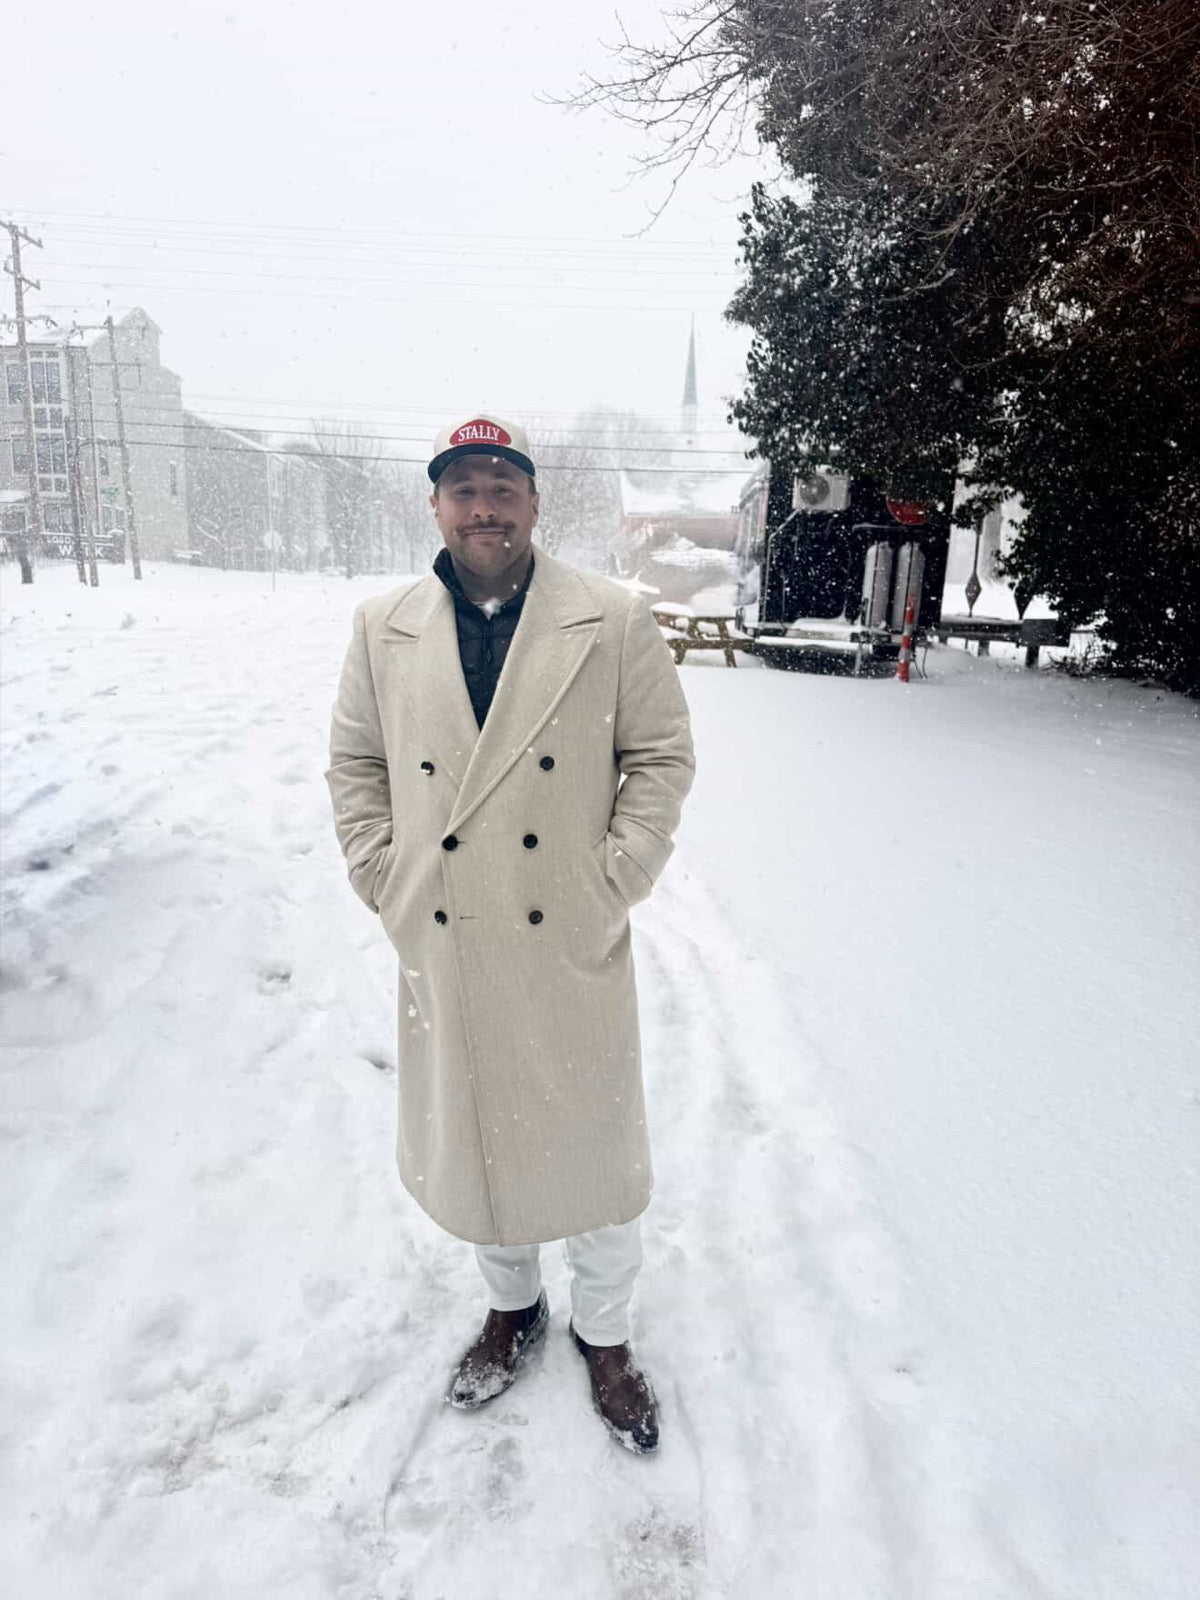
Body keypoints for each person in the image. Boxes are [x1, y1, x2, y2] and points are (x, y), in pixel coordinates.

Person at [325, 414, 695, 1453]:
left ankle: (607, 1333)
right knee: (480, 1138)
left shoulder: (610, 616)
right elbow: (355, 764)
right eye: (465, 489)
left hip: (564, 930)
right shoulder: (382, 624)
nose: (484, 508)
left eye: (503, 487)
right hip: (449, 933)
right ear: (435, 506)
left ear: (535, 504)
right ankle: (513, 1307)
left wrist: (612, 875)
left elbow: (661, 756)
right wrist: (382, 870)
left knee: (598, 1145)